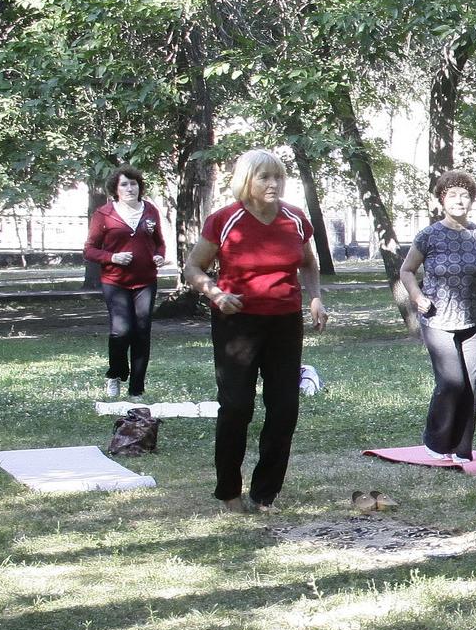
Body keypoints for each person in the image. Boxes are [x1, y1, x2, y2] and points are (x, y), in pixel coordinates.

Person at [184, 149, 327, 513]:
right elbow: (194, 267)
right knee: (236, 406)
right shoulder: (224, 220)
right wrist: (215, 293)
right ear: (246, 181)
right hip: (238, 322)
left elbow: (309, 263)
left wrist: (314, 299)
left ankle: (265, 494)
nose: (273, 184)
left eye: (278, 177)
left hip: (284, 321)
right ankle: (229, 491)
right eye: (264, 177)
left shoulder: (295, 219)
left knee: (284, 408)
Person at [397, 170, 476, 461]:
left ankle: (461, 449)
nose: (459, 200)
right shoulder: (429, 235)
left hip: (473, 319)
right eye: (453, 194)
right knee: (452, 382)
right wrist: (417, 297)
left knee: (472, 383)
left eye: (465, 195)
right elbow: (406, 271)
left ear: (472, 201)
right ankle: (436, 441)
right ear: (442, 199)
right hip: (437, 319)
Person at [84, 166, 168, 399]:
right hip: (115, 281)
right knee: (121, 332)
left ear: (140, 186)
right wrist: (112, 257)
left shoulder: (150, 210)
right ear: (115, 189)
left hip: (145, 281)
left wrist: (159, 255)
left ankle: (136, 389)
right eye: (124, 184)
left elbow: (159, 242)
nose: (130, 188)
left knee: (142, 331)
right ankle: (116, 373)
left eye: (133, 184)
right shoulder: (104, 214)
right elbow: (89, 251)